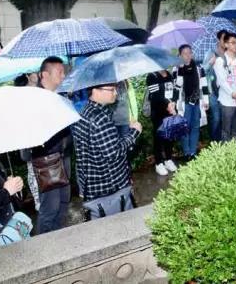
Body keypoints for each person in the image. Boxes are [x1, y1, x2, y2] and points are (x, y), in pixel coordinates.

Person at [72, 83, 142, 220]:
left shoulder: (84, 112)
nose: (115, 93)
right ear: (95, 90)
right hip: (110, 189)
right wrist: (134, 132)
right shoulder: (100, 118)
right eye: (111, 89)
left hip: (93, 186)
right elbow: (113, 153)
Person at [31, 56, 72, 234]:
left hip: (64, 157)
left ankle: (60, 239)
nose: (63, 76)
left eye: (64, 72)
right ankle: (45, 245)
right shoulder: (34, 100)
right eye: (59, 72)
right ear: (44, 75)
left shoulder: (60, 96)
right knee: (50, 208)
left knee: (64, 203)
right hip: (47, 161)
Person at [174, 44, 210, 162]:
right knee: (185, 128)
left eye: (189, 52)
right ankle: (186, 152)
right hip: (184, 103)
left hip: (197, 102)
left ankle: (193, 152)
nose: (188, 55)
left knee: (195, 127)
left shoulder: (199, 68)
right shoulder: (176, 69)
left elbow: (204, 85)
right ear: (180, 55)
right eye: (185, 53)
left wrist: (206, 100)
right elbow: (177, 87)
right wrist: (180, 70)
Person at [214, 32, 236, 141]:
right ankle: (226, 150)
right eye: (232, 42)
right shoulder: (220, 61)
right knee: (226, 130)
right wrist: (232, 93)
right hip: (227, 100)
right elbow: (222, 81)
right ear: (226, 44)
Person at [14, 73, 41, 212]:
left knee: (32, 172)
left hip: (30, 149)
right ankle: (39, 202)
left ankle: (38, 202)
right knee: (35, 172)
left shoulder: (16, 104)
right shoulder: (30, 100)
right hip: (35, 147)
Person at [146, 69, 179, 176]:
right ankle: (159, 163)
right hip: (158, 112)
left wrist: (173, 103)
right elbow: (156, 95)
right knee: (159, 137)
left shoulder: (169, 75)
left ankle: (168, 159)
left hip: (170, 111)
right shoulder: (152, 76)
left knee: (169, 137)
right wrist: (168, 104)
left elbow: (175, 90)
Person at [202, 29, 229, 142]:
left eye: (227, 39)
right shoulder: (211, 52)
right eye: (224, 39)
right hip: (212, 91)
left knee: (223, 118)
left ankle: (221, 141)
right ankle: (214, 142)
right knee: (216, 118)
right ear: (219, 40)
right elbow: (203, 70)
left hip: (224, 91)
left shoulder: (228, 54)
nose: (225, 42)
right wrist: (210, 63)